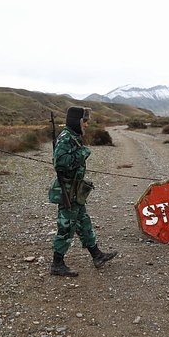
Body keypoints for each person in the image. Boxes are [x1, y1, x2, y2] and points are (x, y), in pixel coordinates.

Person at [48, 106, 117, 277]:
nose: (86, 124)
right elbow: (60, 163)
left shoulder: (73, 136)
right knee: (66, 227)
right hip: (68, 192)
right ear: (76, 121)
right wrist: (83, 153)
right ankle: (57, 264)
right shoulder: (66, 138)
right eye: (84, 121)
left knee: (83, 223)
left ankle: (97, 255)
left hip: (75, 191)